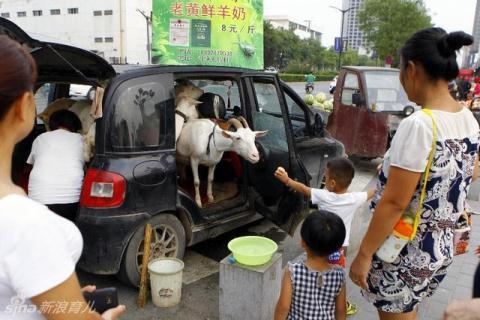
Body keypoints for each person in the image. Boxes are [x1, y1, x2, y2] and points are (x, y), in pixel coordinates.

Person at [349, 28, 478, 320]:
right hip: (439, 248)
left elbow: (395, 203)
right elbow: (468, 173)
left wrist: (365, 254)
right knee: (411, 307)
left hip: (403, 250)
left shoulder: (420, 125)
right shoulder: (468, 118)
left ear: (412, 69)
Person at [0, 35, 125, 319]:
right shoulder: (26, 224)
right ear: (24, 108)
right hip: (66, 202)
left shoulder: (39, 144)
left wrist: (62, 298)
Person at [274, 158, 375, 316]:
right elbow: (373, 192)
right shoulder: (354, 198)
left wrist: (287, 180)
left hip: (319, 240)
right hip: (338, 246)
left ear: (332, 183)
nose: (324, 179)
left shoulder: (323, 195)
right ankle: (330, 296)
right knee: (333, 273)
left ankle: (309, 293)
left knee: (315, 266)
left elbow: (303, 189)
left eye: (325, 177)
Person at [274, 210, 347, 320]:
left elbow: (283, 307)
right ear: (338, 248)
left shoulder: (293, 271)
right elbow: (341, 310)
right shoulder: (340, 275)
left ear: (303, 242)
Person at [27, 109, 85, 222]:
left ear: (52, 124)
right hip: (70, 202)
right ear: (75, 124)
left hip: (38, 200)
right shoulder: (81, 139)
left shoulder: (40, 138)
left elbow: (32, 164)